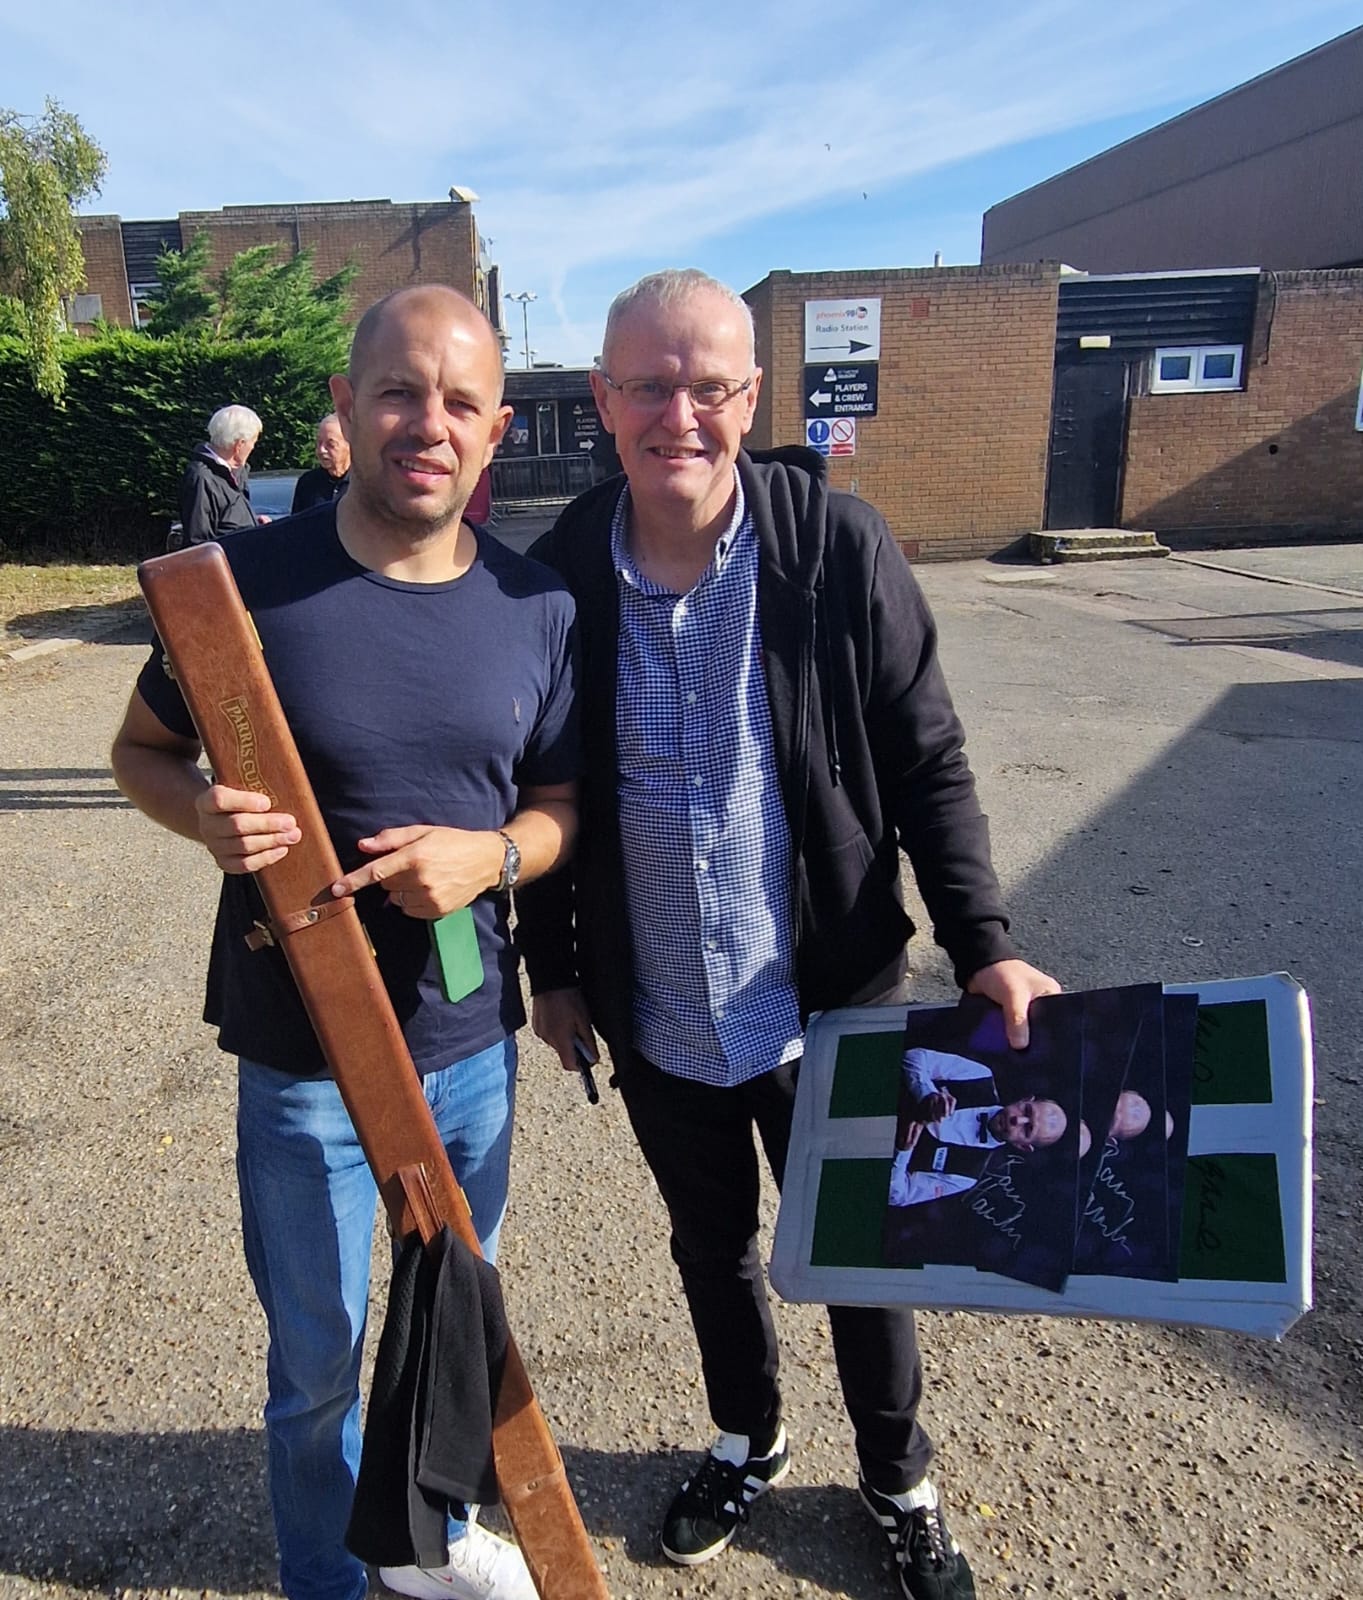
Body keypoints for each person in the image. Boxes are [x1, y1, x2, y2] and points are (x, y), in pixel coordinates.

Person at [516, 267, 1060, 1600]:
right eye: (648, 385)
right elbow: (539, 787)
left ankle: (895, 1474)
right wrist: (555, 965)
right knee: (710, 1249)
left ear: (751, 397)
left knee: (865, 1251)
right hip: (658, 1007)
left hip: (829, 997)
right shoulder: (563, 574)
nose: (678, 414)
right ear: (602, 400)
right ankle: (746, 1434)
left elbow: (926, 759)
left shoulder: (834, 548)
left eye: (708, 385)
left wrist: (980, 936)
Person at [112, 285, 579, 1600]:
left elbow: (558, 809)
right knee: (317, 1362)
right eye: (397, 391)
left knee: (447, 1343)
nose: (425, 422)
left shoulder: (536, 607)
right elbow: (140, 754)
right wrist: (199, 811)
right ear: (344, 409)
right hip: (301, 1058)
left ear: (492, 434)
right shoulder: (239, 592)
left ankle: (423, 1547)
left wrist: (487, 857)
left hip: (468, 1048)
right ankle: (325, 1580)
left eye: (458, 402)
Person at [890, 1047, 1068, 1207]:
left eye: (1027, 1129)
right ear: (1025, 1100)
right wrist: (926, 1093)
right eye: (1026, 1111)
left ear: (1023, 1145)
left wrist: (902, 1151)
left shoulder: (966, 1175)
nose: (1018, 1120)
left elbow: (898, 1196)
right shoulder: (978, 1076)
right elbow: (913, 1057)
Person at [178, 404, 268, 544]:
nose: (253, 448)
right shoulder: (202, 478)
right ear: (239, 445)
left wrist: (255, 525)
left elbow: (229, 520)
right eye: (253, 442)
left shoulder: (237, 472)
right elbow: (198, 543)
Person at [291, 412, 352, 513]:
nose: (321, 450)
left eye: (330, 444)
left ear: (349, 445)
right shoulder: (308, 483)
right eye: (319, 443)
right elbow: (296, 525)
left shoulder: (364, 483)